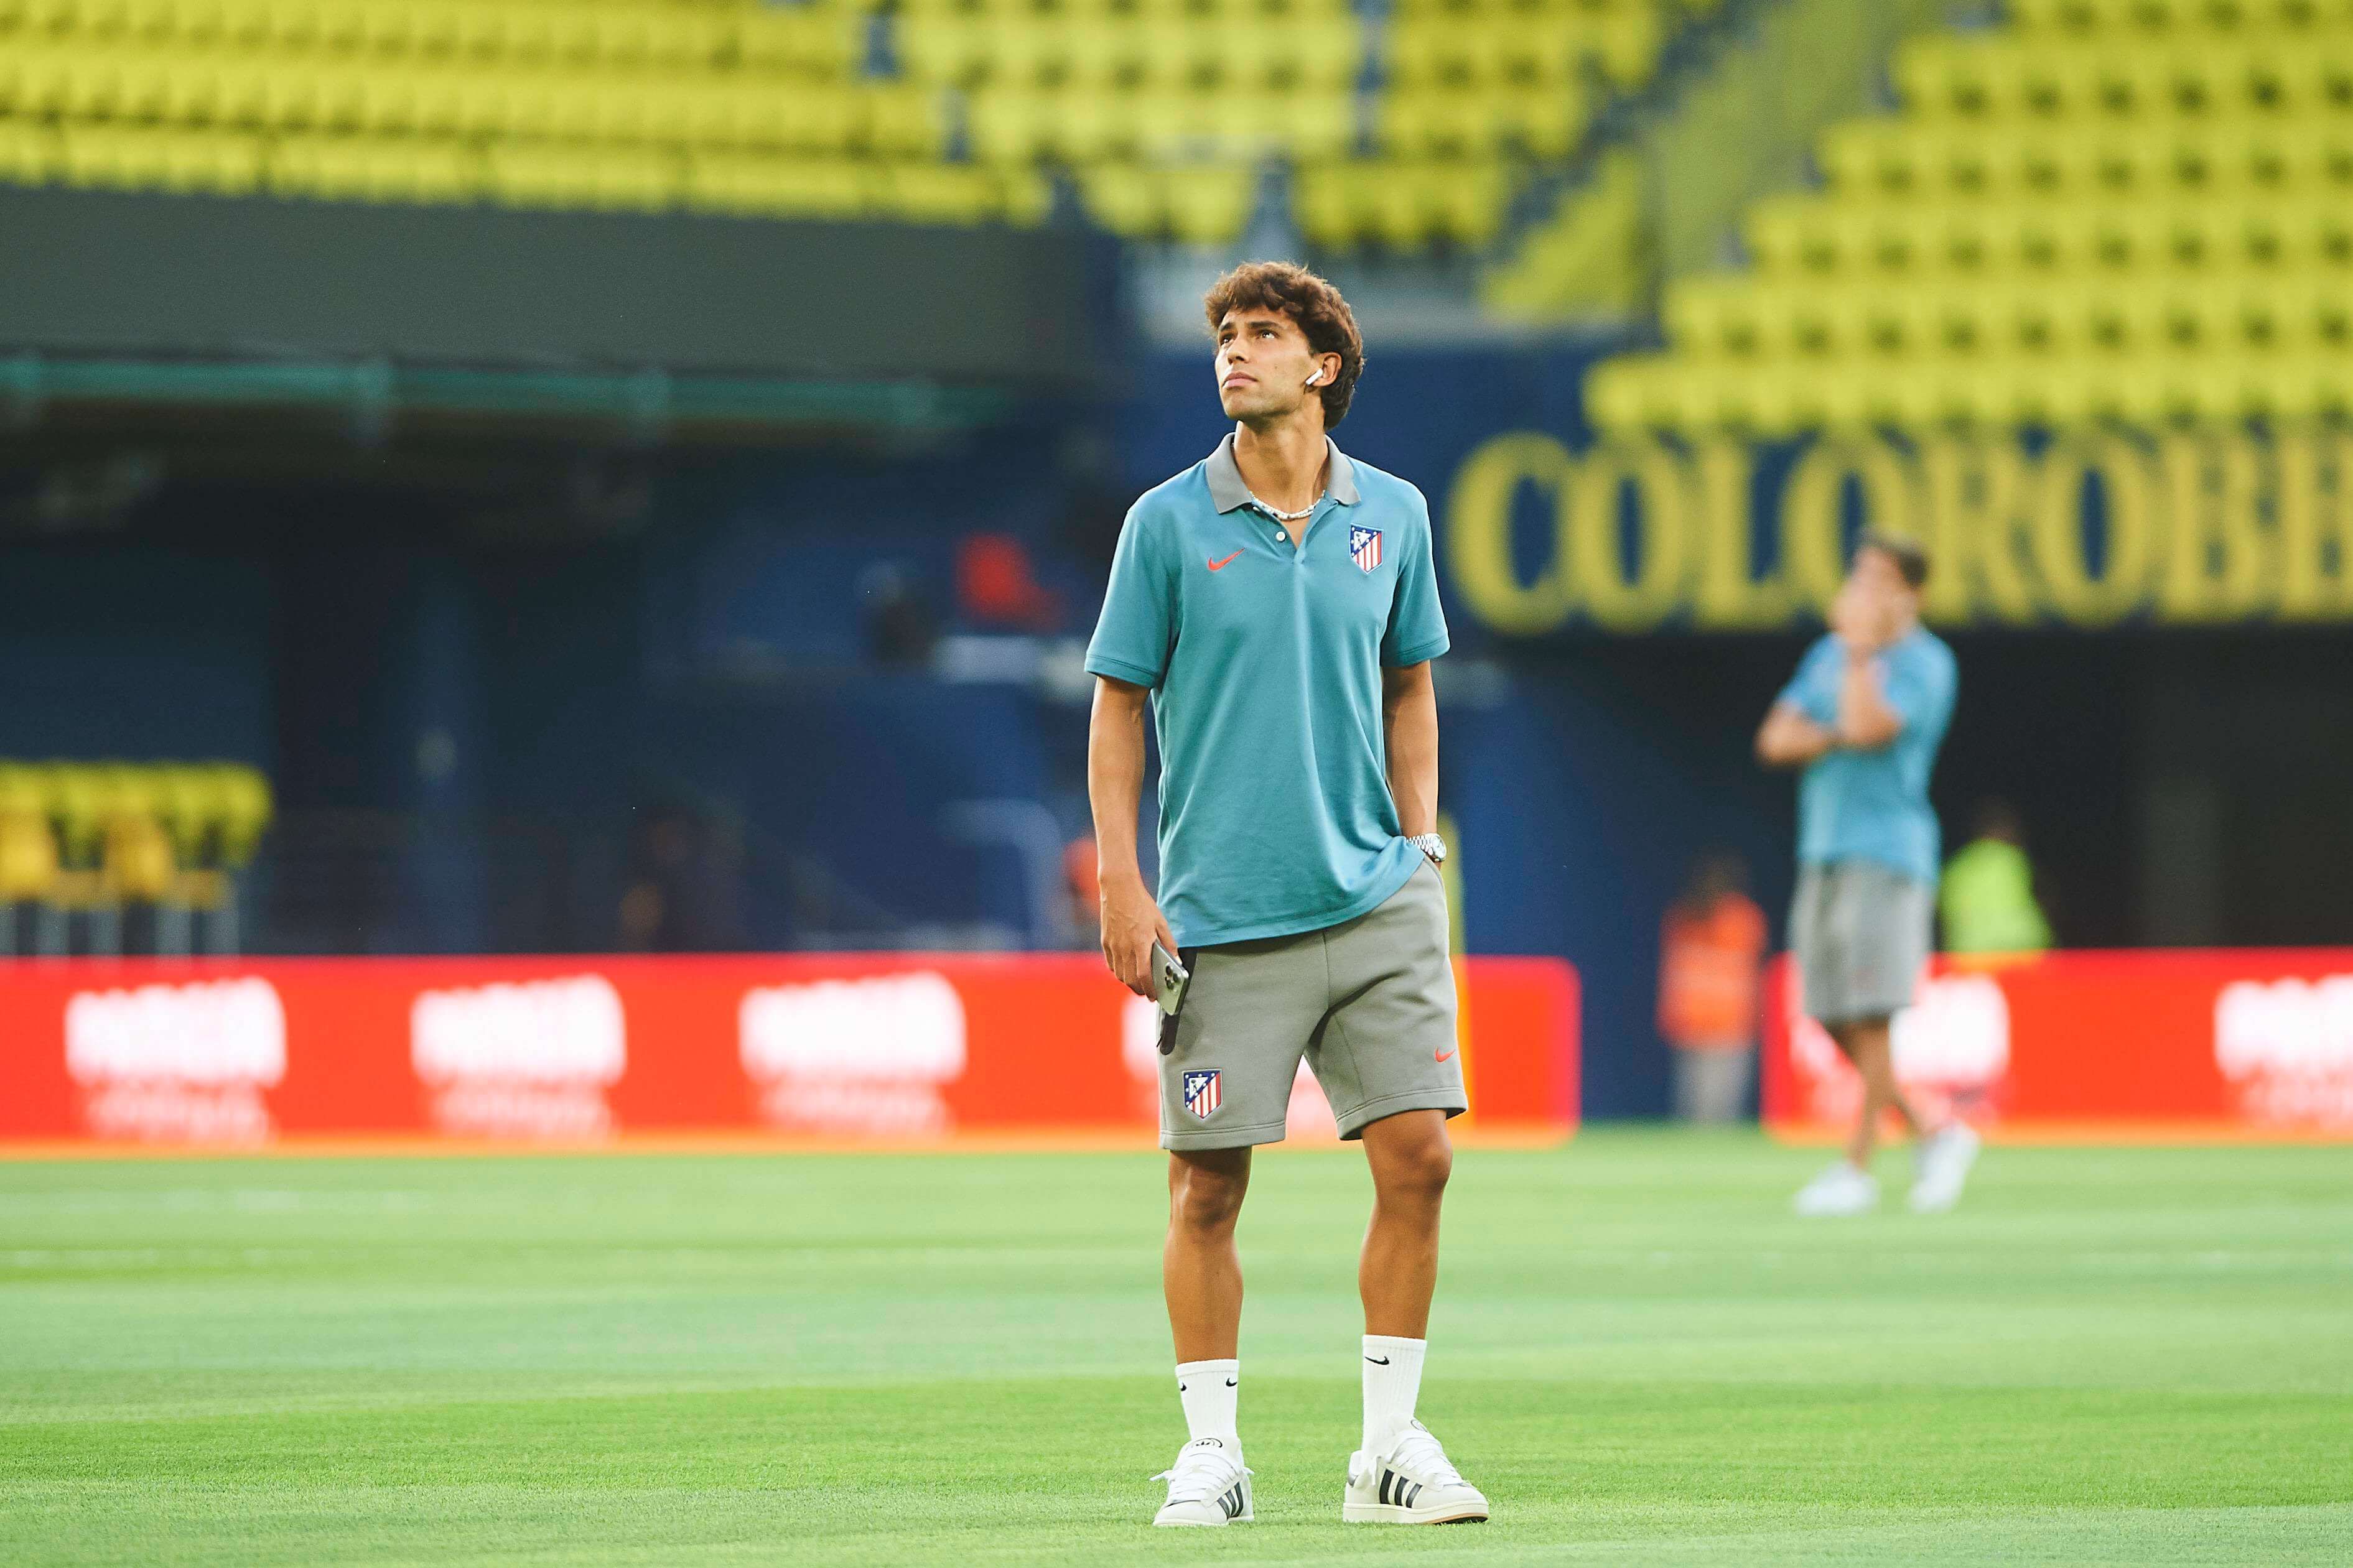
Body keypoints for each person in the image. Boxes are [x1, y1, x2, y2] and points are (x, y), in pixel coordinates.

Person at [1086, 262, 1487, 1529]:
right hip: (1223, 911)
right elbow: (1116, 708)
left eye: (1263, 335)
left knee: (1417, 1159)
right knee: (1206, 1186)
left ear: (1321, 365)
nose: (1234, 354)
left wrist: (1417, 844)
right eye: (1224, 335)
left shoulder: (1397, 517)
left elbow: (1412, 679)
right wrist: (1119, 879)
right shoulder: (1165, 522)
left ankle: (1389, 1451)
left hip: (1375, 898)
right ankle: (1212, 1452)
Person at [1755, 534, 1979, 1217]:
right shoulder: (1826, 653)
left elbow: (1868, 726)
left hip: (1886, 850)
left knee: (1870, 1009)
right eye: (1857, 573)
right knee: (1825, 1010)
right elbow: (1774, 738)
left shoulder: (1923, 662)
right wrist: (1832, 724)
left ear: (1908, 593)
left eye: (1877, 578)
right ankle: (1936, 1132)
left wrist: (1856, 656)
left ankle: (1855, 1166)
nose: (1859, 589)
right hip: (1821, 847)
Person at [1657, 853, 1767, 1124]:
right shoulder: (1684, 917)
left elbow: (1749, 975)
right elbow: (1674, 974)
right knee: (1694, 1109)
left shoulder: (1743, 919)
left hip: (1729, 1029)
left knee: (1721, 1110)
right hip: (1697, 1027)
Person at [1941, 799, 2053, 956]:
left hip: (1968, 953)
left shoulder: (1956, 866)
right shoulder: (2012, 858)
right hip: (2018, 948)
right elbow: (2043, 897)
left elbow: (1944, 912)